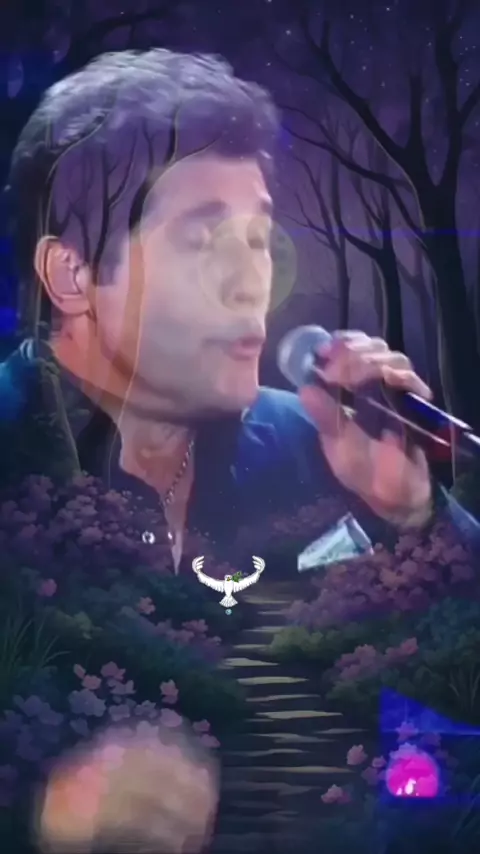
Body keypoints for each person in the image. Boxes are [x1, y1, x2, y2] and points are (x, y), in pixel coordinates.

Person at [1, 48, 479, 851]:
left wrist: (416, 519)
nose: (252, 282)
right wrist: (34, 818)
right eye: (202, 241)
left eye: (259, 240)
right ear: (72, 274)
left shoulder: (322, 442)